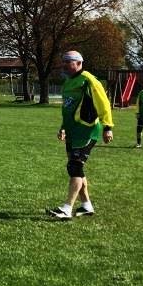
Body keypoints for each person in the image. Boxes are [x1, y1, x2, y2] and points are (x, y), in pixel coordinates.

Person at [47, 51, 113, 220]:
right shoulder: (68, 82)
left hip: (86, 131)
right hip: (72, 131)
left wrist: (107, 127)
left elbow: (103, 103)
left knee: (74, 167)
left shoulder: (88, 80)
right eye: (63, 61)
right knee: (76, 168)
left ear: (78, 62)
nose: (64, 64)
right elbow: (67, 108)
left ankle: (67, 208)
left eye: (68, 61)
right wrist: (63, 127)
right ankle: (86, 205)